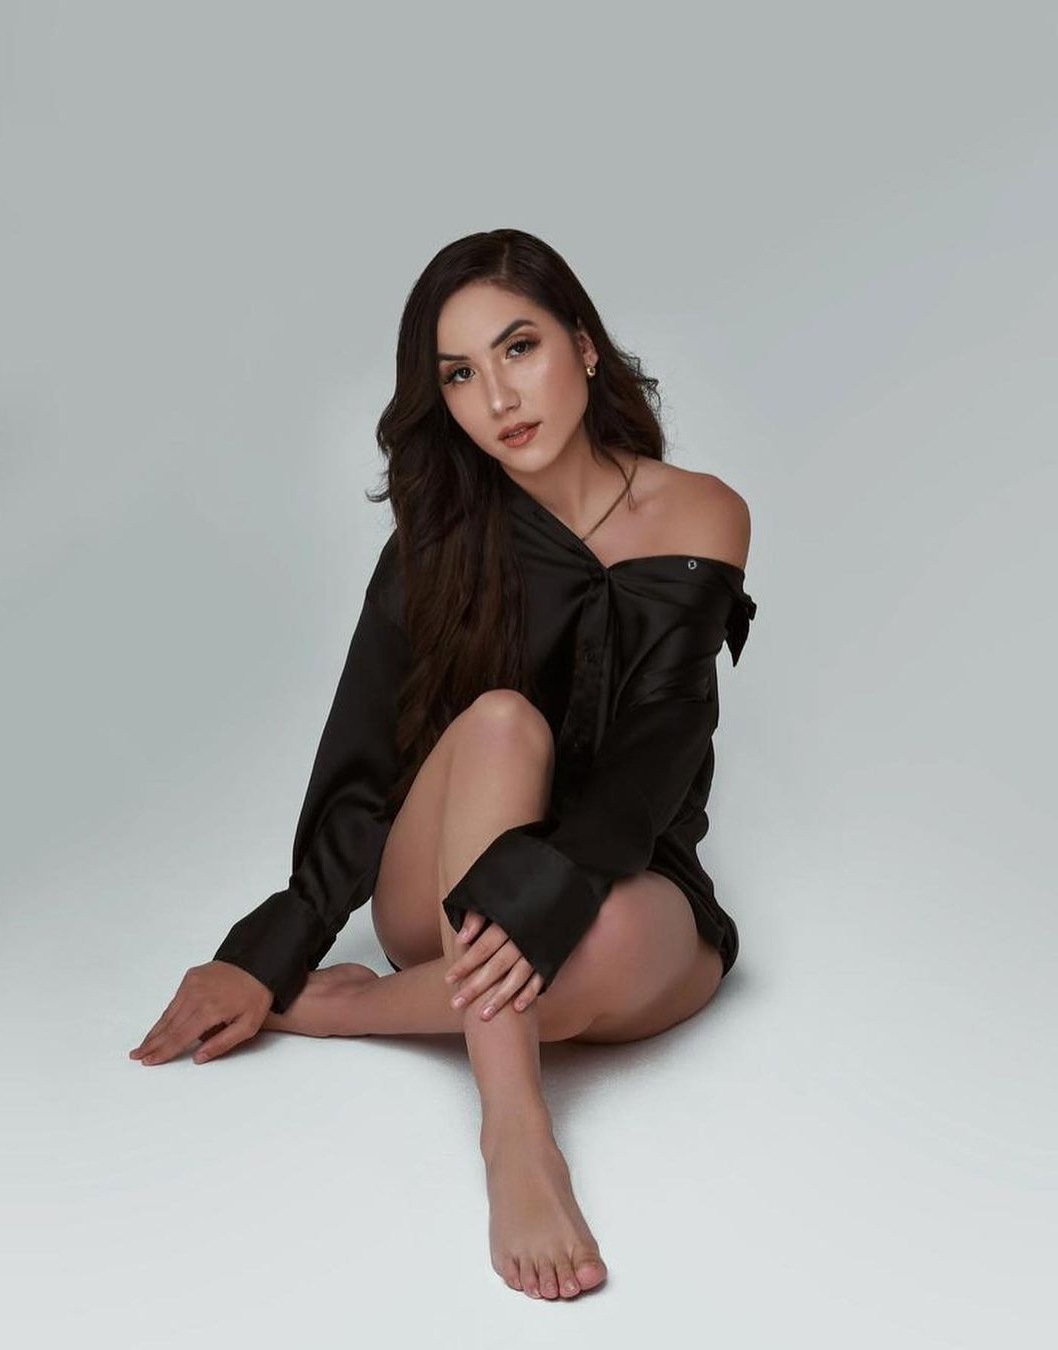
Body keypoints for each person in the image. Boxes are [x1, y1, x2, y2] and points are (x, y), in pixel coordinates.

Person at [128, 227, 758, 1302]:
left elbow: (662, 743)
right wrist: (274, 943)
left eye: (519, 348)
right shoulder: (441, 536)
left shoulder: (705, 512)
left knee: (614, 945)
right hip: (443, 888)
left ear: (584, 346)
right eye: (459, 374)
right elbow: (367, 752)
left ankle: (353, 1010)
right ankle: (516, 1133)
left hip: (613, 864)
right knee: (504, 722)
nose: (498, 397)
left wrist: (561, 886)